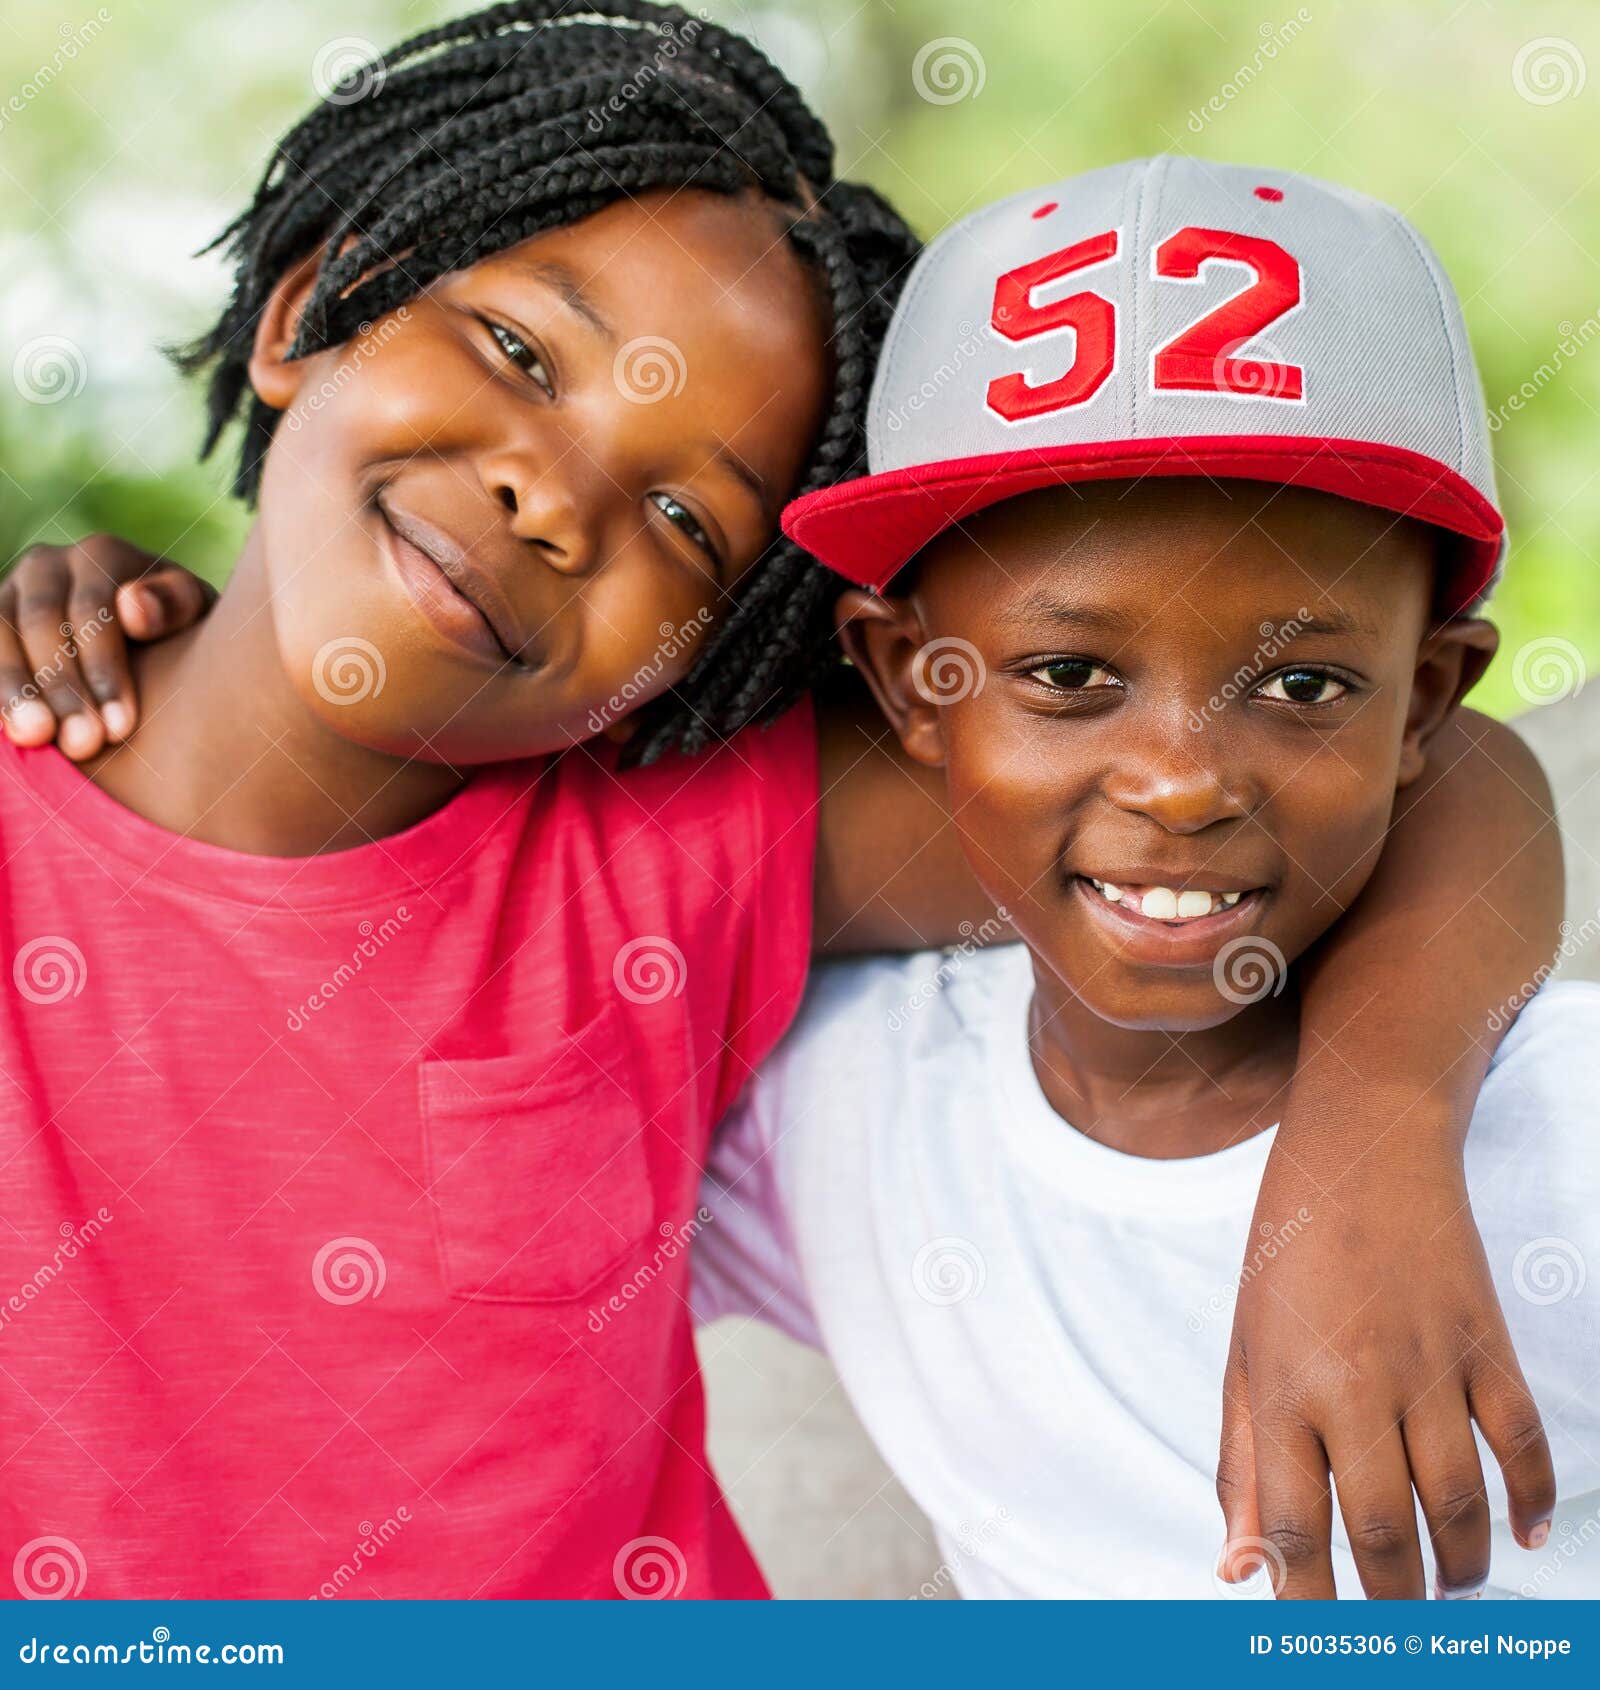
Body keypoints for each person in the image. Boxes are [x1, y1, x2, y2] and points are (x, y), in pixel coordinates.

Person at [0, 75, 1561, 1593]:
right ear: (303, 314)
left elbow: (1439, 777)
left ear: (723, 641)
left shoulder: (686, 849)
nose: (553, 495)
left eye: (691, 521)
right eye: (521, 350)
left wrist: (1365, 1160)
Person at [693, 158, 1591, 1600]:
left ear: (1425, 699)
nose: (1183, 781)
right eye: (1068, 672)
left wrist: (1377, 1144)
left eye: (1302, 682)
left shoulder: (1568, 1136)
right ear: (902, 679)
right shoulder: (833, 1108)